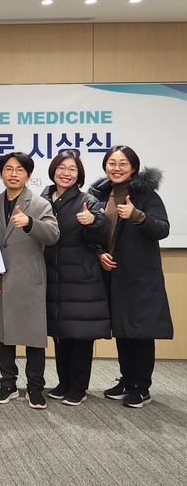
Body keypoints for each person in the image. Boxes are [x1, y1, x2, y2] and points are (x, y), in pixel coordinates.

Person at [88, 145, 172, 408]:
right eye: (112, 163)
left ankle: (142, 387)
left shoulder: (145, 195)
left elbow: (162, 229)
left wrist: (138, 216)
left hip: (140, 275)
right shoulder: (100, 195)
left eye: (123, 163)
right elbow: (96, 232)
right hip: (113, 274)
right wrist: (99, 253)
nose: (117, 168)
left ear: (133, 167)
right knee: (122, 330)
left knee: (141, 331)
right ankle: (126, 380)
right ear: (105, 166)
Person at [0, 152, 59, 409]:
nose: (13, 174)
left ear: (28, 175)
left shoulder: (39, 204)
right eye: (8, 169)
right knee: (4, 335)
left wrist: (29, 223)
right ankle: (8, 384)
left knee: (33, 337)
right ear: (1, 173)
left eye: (19, 169)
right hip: (1, 279)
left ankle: (35, 387)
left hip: (29, 280)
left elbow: (53, 235)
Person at [41, 151, 110, 406]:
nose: (66, 173)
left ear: (79, 174)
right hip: (53, 276)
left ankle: (79, 387)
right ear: (53, 171)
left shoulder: (88, 201)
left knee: (81, 334)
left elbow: (100, 237)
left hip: (81, 277)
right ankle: (64, 382)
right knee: (60, 332)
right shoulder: (43, 199)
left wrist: (93, 222)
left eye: (72, 169)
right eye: (61, 168)